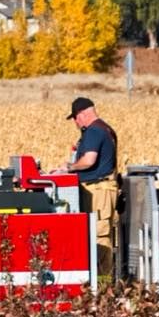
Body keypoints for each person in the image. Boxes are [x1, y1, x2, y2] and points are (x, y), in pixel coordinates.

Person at [51, 96, 119, 276]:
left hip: (99, 190)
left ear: (81, 114)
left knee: (99, 235)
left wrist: (68, 168)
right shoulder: (104, 129)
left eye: (75, 117)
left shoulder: (94, 131)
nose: (75, 122)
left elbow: (89, 160)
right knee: (95, 233)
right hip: (98, 189)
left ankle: (102, 281)